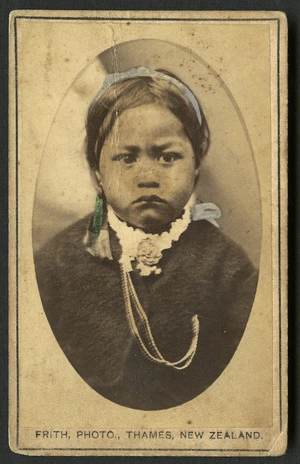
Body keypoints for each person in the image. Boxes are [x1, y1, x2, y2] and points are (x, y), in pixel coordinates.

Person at [34, 67, 258, 410]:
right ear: (97, 172)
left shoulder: (228, 269)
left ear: (196, 164)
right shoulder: (57, 262)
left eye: (168, 157)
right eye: (126, 158)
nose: (148, 177)